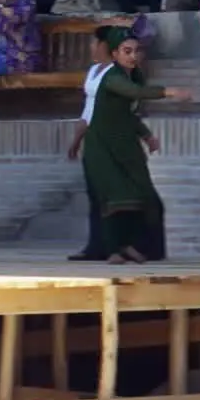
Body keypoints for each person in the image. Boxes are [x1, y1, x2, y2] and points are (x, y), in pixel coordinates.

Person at [82, 28, 190, 265]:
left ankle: (137, 247)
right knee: (116, 198)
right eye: (126, 51)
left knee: (148, 199)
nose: (133, 56)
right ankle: (114, 251)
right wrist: (167, 92)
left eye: (136, 51)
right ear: (115, 53)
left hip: (126, 145)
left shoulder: (135, 75)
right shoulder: (113, 77)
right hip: (103, 147)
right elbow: (134, 93)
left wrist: (146, 135)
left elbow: (128, 114)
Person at [67, 23, 163, 262]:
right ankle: (100, 247)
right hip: (96, 139)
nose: (91, 47)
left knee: (127, 197)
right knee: (99, 197)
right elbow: (88, 111)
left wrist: (145, 134)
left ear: (104, 45)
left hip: (115, 142)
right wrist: (77, 139)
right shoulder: (95, 72)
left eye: (94, 42)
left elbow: (127, 110)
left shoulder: (120, 74)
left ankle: (131, 247)